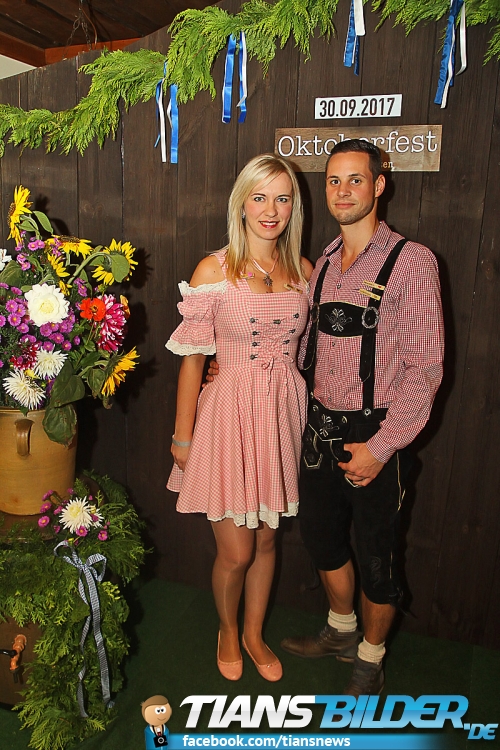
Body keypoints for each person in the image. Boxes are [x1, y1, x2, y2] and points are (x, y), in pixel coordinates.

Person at [280, 139, 444, 696]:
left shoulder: (412, 261)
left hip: (377, 432)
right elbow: (301, 345)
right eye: (333, 180)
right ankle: (341, 631)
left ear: (379, 185)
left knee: (377, 556)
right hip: (320, 427)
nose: (343, 190)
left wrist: (382, 445)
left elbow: (424, 368)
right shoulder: (324, 261)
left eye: (355, 179)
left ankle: (370, 660)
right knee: (321, 537)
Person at [165, 153, 313, 682]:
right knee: (236, 550)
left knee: (268, 540)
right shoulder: (214, 270)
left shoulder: (305, 271)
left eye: (282, 198)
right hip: (227, 416)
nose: (270, 210)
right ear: (241, 204)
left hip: (282, 414)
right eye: (260, 197)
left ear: (294, 207)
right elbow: (192, 362)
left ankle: (253, 634)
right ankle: (227, 630)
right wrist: (182, 438)